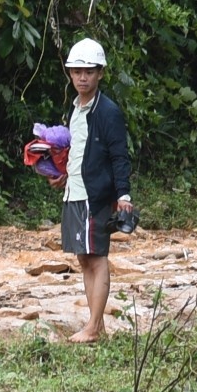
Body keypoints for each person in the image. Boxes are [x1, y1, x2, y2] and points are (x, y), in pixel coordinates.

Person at [56, 38, 132, 343]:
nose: (82, 78)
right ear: (70, 74)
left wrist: (123, 195)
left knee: (97, 257)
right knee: (84, 258)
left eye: (89, 71)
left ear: (100, 73)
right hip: (74, 192)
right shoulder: (75, 109)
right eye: (77, 72)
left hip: (95, 195)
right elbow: (79, 151)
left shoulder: (108, 112)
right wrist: (63, 174)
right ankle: (95, 325)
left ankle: (93, 326)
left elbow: (119, 156)